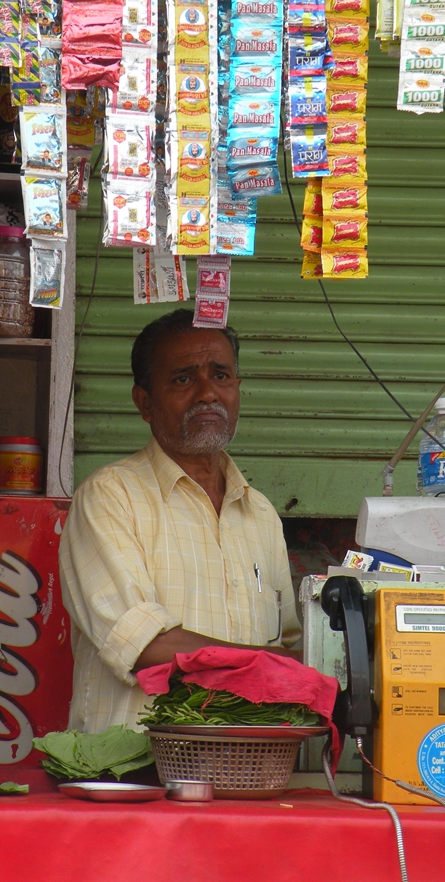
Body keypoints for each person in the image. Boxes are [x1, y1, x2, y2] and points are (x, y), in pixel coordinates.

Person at [59, 308, 301, 732]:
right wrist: (265, 663)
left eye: (221, 376)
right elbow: (143, 643)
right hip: (136, 776)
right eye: (184, 379)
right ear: (144, 402)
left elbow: (291, 647)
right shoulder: (110, 496)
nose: (208, 393)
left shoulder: (260, 513)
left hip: (247, 773)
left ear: (238, 389)